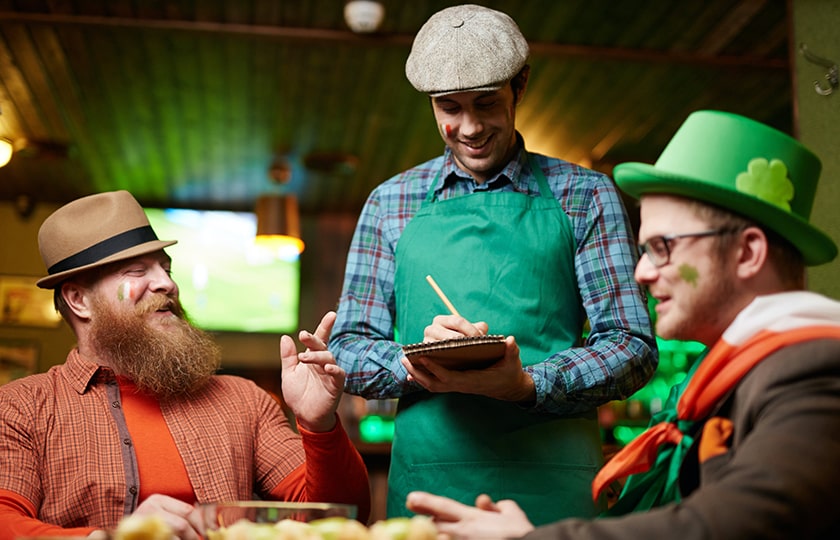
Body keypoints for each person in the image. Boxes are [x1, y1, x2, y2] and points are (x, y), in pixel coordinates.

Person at [404, 109, 840, 539]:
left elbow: (745, 520)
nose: (642, 273)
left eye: (663, 247)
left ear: (747, 253)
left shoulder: (815, 371)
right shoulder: (723, 376)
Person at [328, 4, 657, 525]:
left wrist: (526, 384)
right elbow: (346, 347)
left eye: (486, 104)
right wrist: (418, 363)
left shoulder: (586, 195)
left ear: (520, 86)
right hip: (429, 485)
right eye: (449, 108)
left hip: (553, 488)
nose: (470, 127)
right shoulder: (389, 202)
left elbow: (632, 345)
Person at [0, 190, 371, 539]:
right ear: (79, 300)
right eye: (137, 271)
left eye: (166, 269)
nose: (166, 284)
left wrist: (319, 425)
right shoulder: (22, 408)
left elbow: (340, 518)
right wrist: (116, 536)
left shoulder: (243, 401)